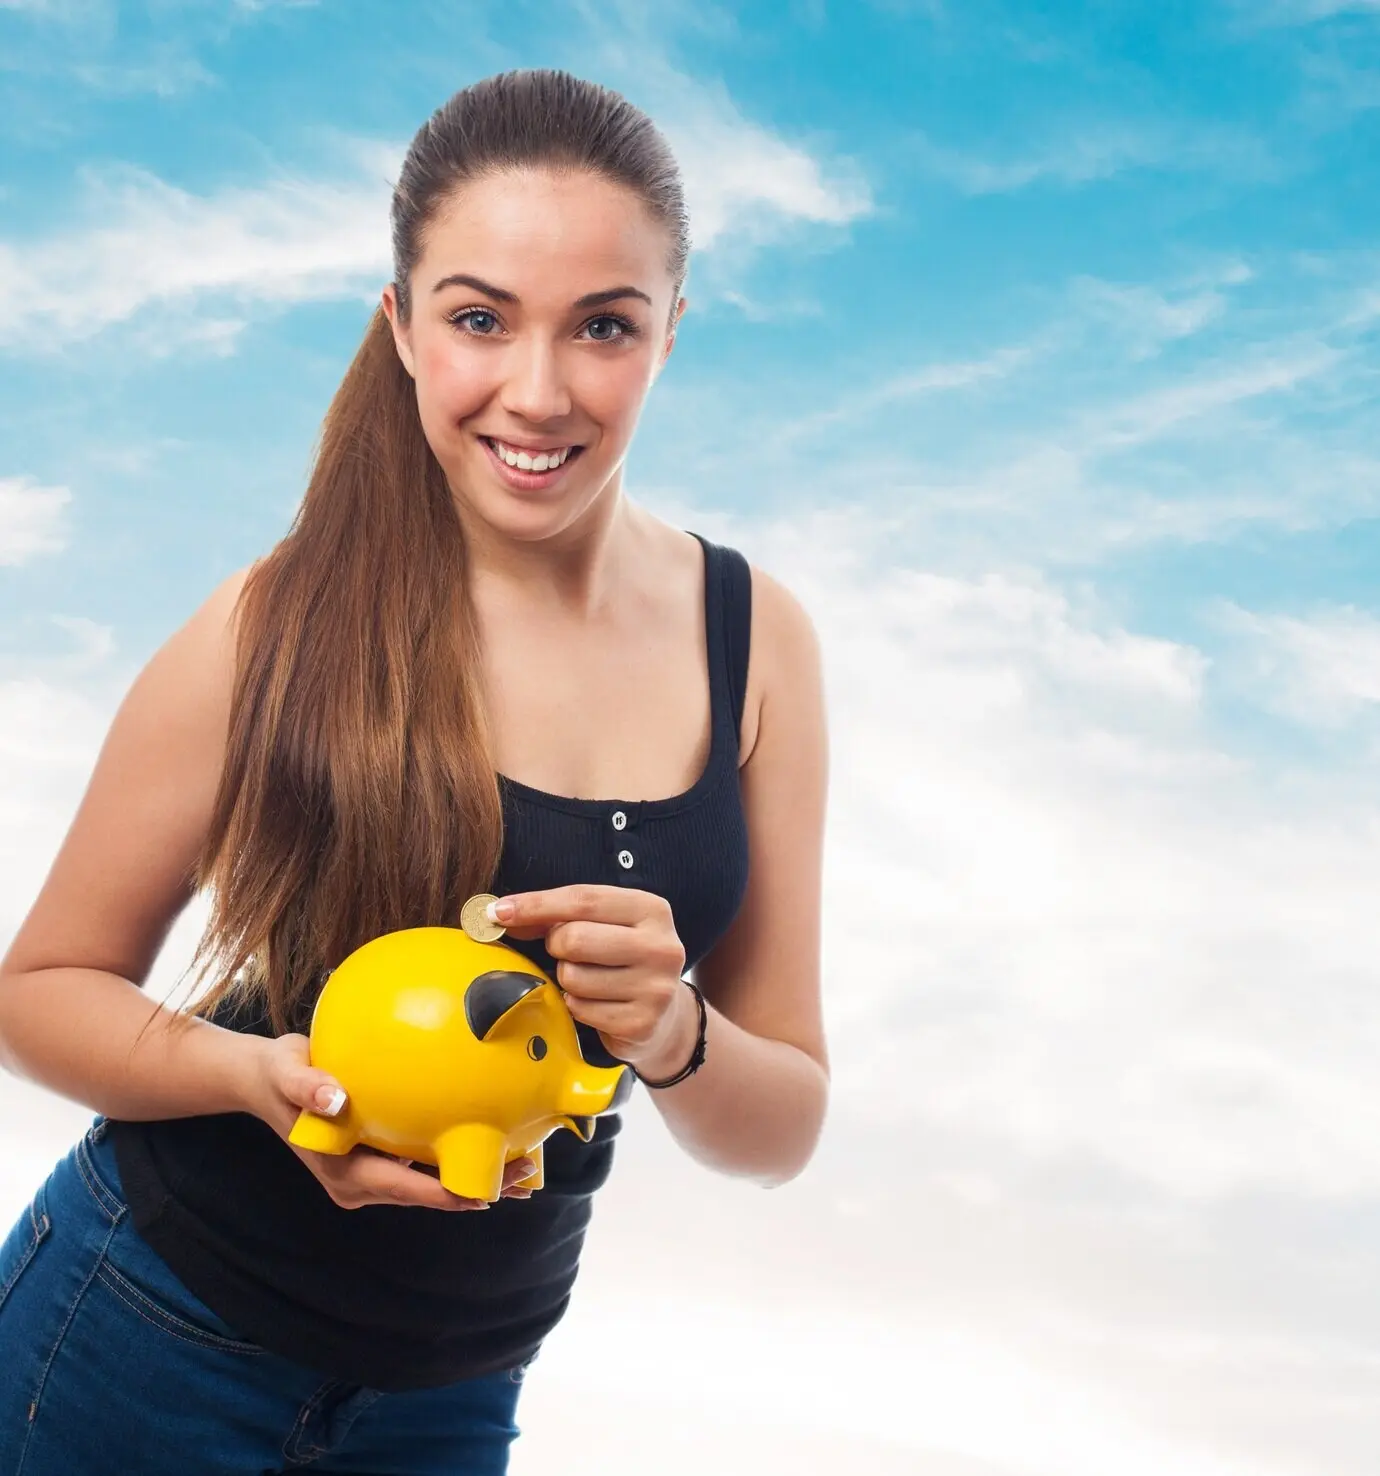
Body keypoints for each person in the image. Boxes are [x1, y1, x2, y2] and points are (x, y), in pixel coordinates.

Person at [0, 69, 829, 1475]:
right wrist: (255, 1078)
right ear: (399, 326)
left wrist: (673, 1033)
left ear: (671, 334)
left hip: (453, 1397)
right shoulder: (276, 623)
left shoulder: (756, 644)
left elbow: (781, 1126)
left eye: (605, 327)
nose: (540, 390)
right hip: (139, 1330)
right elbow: (40, 992)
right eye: (479, 319)